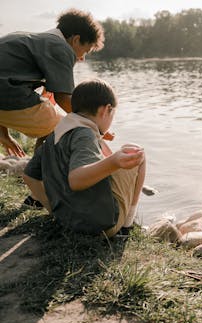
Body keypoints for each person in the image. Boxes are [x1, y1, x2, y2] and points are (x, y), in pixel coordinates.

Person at [23, 79, 146, 238]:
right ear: (106, 110)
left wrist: (54, 210)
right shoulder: (85, 134)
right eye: (112, 114)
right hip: (100, 227)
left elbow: (29, 176)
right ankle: (126, 226)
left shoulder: (55, 134)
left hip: (67, 222)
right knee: (138, 152)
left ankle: (66, 216)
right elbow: (77, 180)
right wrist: (114, 161)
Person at [0, 8, 105, 157]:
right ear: (75, 40)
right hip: (8, 94)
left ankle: (37, 167)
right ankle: (43, 173)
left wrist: (3, 134)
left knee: (51, 111)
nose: (82, 58)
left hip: (4, 94)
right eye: (86, 51)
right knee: (69, 125)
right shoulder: (61, 48)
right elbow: (63, 98)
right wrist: (94, 124)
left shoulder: (29, 39)